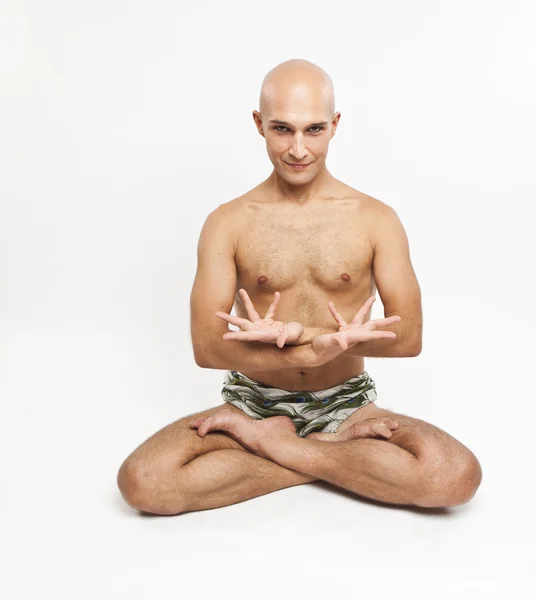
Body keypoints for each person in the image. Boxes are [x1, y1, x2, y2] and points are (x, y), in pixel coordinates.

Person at [116, 58, 482, 515]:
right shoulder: (227, 223)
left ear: (334, 126)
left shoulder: (375, 218)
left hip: (347, 405)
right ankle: (329, 458)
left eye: (313, 130)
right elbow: (207, 349)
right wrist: (313, 352)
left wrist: (307, 341)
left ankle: (280, 449)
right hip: (253, 403)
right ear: (259, 125)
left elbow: (409, 339)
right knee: (144, 482)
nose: (298, 149)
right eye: (281, 129)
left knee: (454, 476)